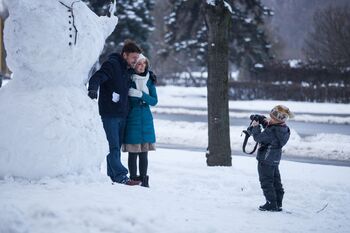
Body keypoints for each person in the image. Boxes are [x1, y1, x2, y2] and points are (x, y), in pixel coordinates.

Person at [87, 40, 142, 185]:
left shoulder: (127, 69)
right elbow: (97, 77)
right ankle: (121, 176)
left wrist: (150, 76)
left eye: (137, 58)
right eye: (133, 58)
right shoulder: (112, 65)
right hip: (110, 113)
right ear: (125, 55)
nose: (136, 61)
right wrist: (92, 89)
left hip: (122, 113)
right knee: (113, 146)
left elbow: (141, 75)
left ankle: (113, 176)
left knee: (115, 146)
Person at [248, 105, 293, 211]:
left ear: (277, 120)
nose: (270, 120)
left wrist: (255, 126)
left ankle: (271, 204)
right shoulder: (283, 129)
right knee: (276, 181)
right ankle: (278, 203)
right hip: (275, 160)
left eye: (272, 118)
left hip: (265, 160)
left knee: (266, 182)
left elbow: (258, 137)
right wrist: (262, 120)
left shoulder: (272, 131)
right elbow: (271, 126)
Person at [122, 54, 158, 188]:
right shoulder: (128, 79)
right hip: (133, 119)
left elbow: (154, 101)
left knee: (144, 152)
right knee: (133, 152)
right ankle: (133, 178)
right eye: (139, 63)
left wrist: (141, 94)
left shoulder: (149, 80)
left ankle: (144, 179)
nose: (142, 66)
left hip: (146, 120)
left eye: (144, 63)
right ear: (134, 65)